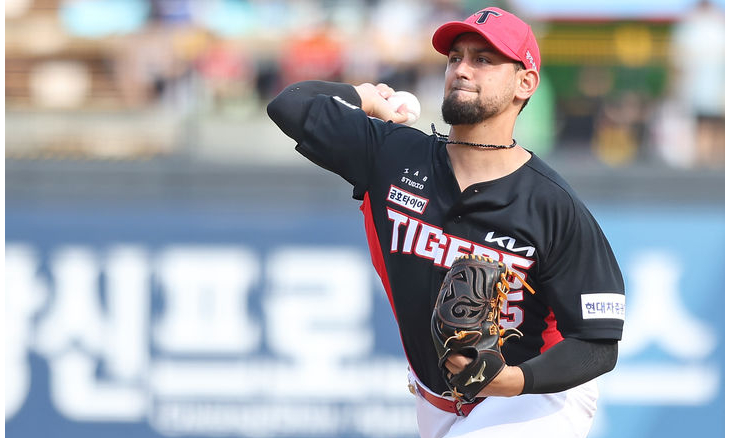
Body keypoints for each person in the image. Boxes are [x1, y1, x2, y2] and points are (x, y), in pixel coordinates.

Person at [267, 7, 624, 438]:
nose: (462, 70)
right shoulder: (392, 156)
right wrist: (366, 96)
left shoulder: (552, 204)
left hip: (534, 397)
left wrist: (512, 380)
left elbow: (597, 346)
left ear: (524, 83)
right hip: (435, 400)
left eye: (484, 60)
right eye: (456, 58)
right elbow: (289, 104)